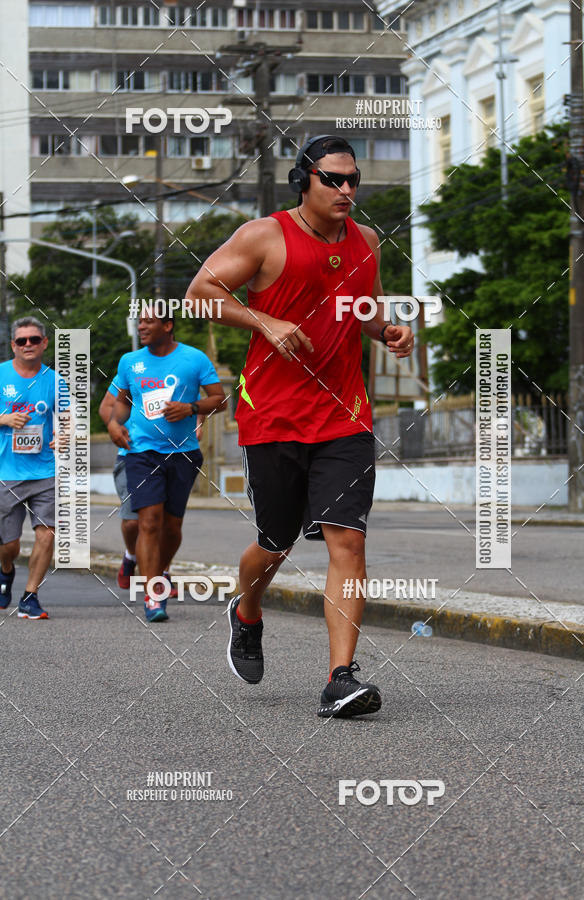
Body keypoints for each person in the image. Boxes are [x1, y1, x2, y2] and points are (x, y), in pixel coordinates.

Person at [187, 134, 414, 717]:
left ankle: (340, 677)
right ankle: (246, 610)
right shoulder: (265, 235)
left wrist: (388, 329)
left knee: (349, 540)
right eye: (332, 180)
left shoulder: (366, 241)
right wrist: (264, 320)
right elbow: (200, 294)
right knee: (276, 543)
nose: (345, 190)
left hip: (345, 415)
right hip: (273, 417)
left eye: (353, 180)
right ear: (303, 181)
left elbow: (364, 305)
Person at [107, 306, 225, 622]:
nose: (141, 326)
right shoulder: (130, 361)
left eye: (148, 321)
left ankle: (157, 570)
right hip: (141, 452)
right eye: (139, 321)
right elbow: (121, 399)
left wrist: (191, 407)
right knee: (149, 521)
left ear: (168, 325)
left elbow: (220, 399)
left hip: (183, 453)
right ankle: (153, 594)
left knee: (172, 527)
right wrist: (114, 424)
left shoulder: (194, 358)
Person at [0, 316, 61, 619]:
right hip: (7, 473)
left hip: (46, 471)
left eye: (33, 339)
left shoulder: (56, 380)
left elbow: (68, 418)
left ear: (44, 343)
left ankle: (31, 596)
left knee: (47, 534)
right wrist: (4, 420)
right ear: (13, 345)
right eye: (21, 341)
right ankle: (6, 571)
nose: (27, 345)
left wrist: (63, 435)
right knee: (10, 544)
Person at [99, 381, 204, 595]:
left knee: (163, 521)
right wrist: (117, 427)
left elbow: (198, 407)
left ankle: (160, 576)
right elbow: (106, 407)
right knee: (132, 522)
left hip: (175, 456)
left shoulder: (184, 372)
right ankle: (131, 557)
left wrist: (197, 425)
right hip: (134, 456)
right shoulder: (132, 371)